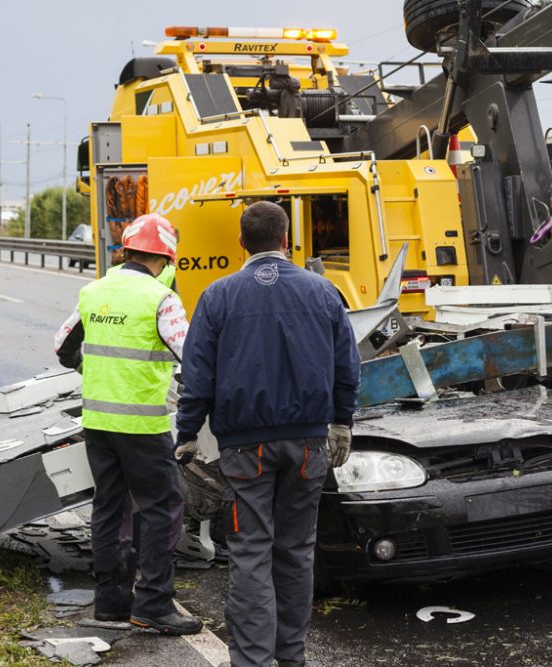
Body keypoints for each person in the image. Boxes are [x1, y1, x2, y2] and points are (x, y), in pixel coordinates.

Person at [175, 201, 360, 667]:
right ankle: (291, 657)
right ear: (286, 239)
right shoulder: (323, 292)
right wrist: (342, 423)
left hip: (245, 448)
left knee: (251, 552)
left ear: (241, 242)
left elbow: (197, 373)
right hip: (308, 446)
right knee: (296, 553)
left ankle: (253, 661)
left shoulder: (217, 296)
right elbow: (347, 367)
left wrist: (188, 430)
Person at [54, 213, 202, 636]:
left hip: (98, 423)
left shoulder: (93, 291)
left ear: (127, 250)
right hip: (143, 425)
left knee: (108, 508)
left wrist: (95, 369)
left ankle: (110, 605)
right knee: (163, 507)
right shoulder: (160, 298)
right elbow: (191, 355)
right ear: (166, 258)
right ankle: (154, 603)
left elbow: (62, 346)